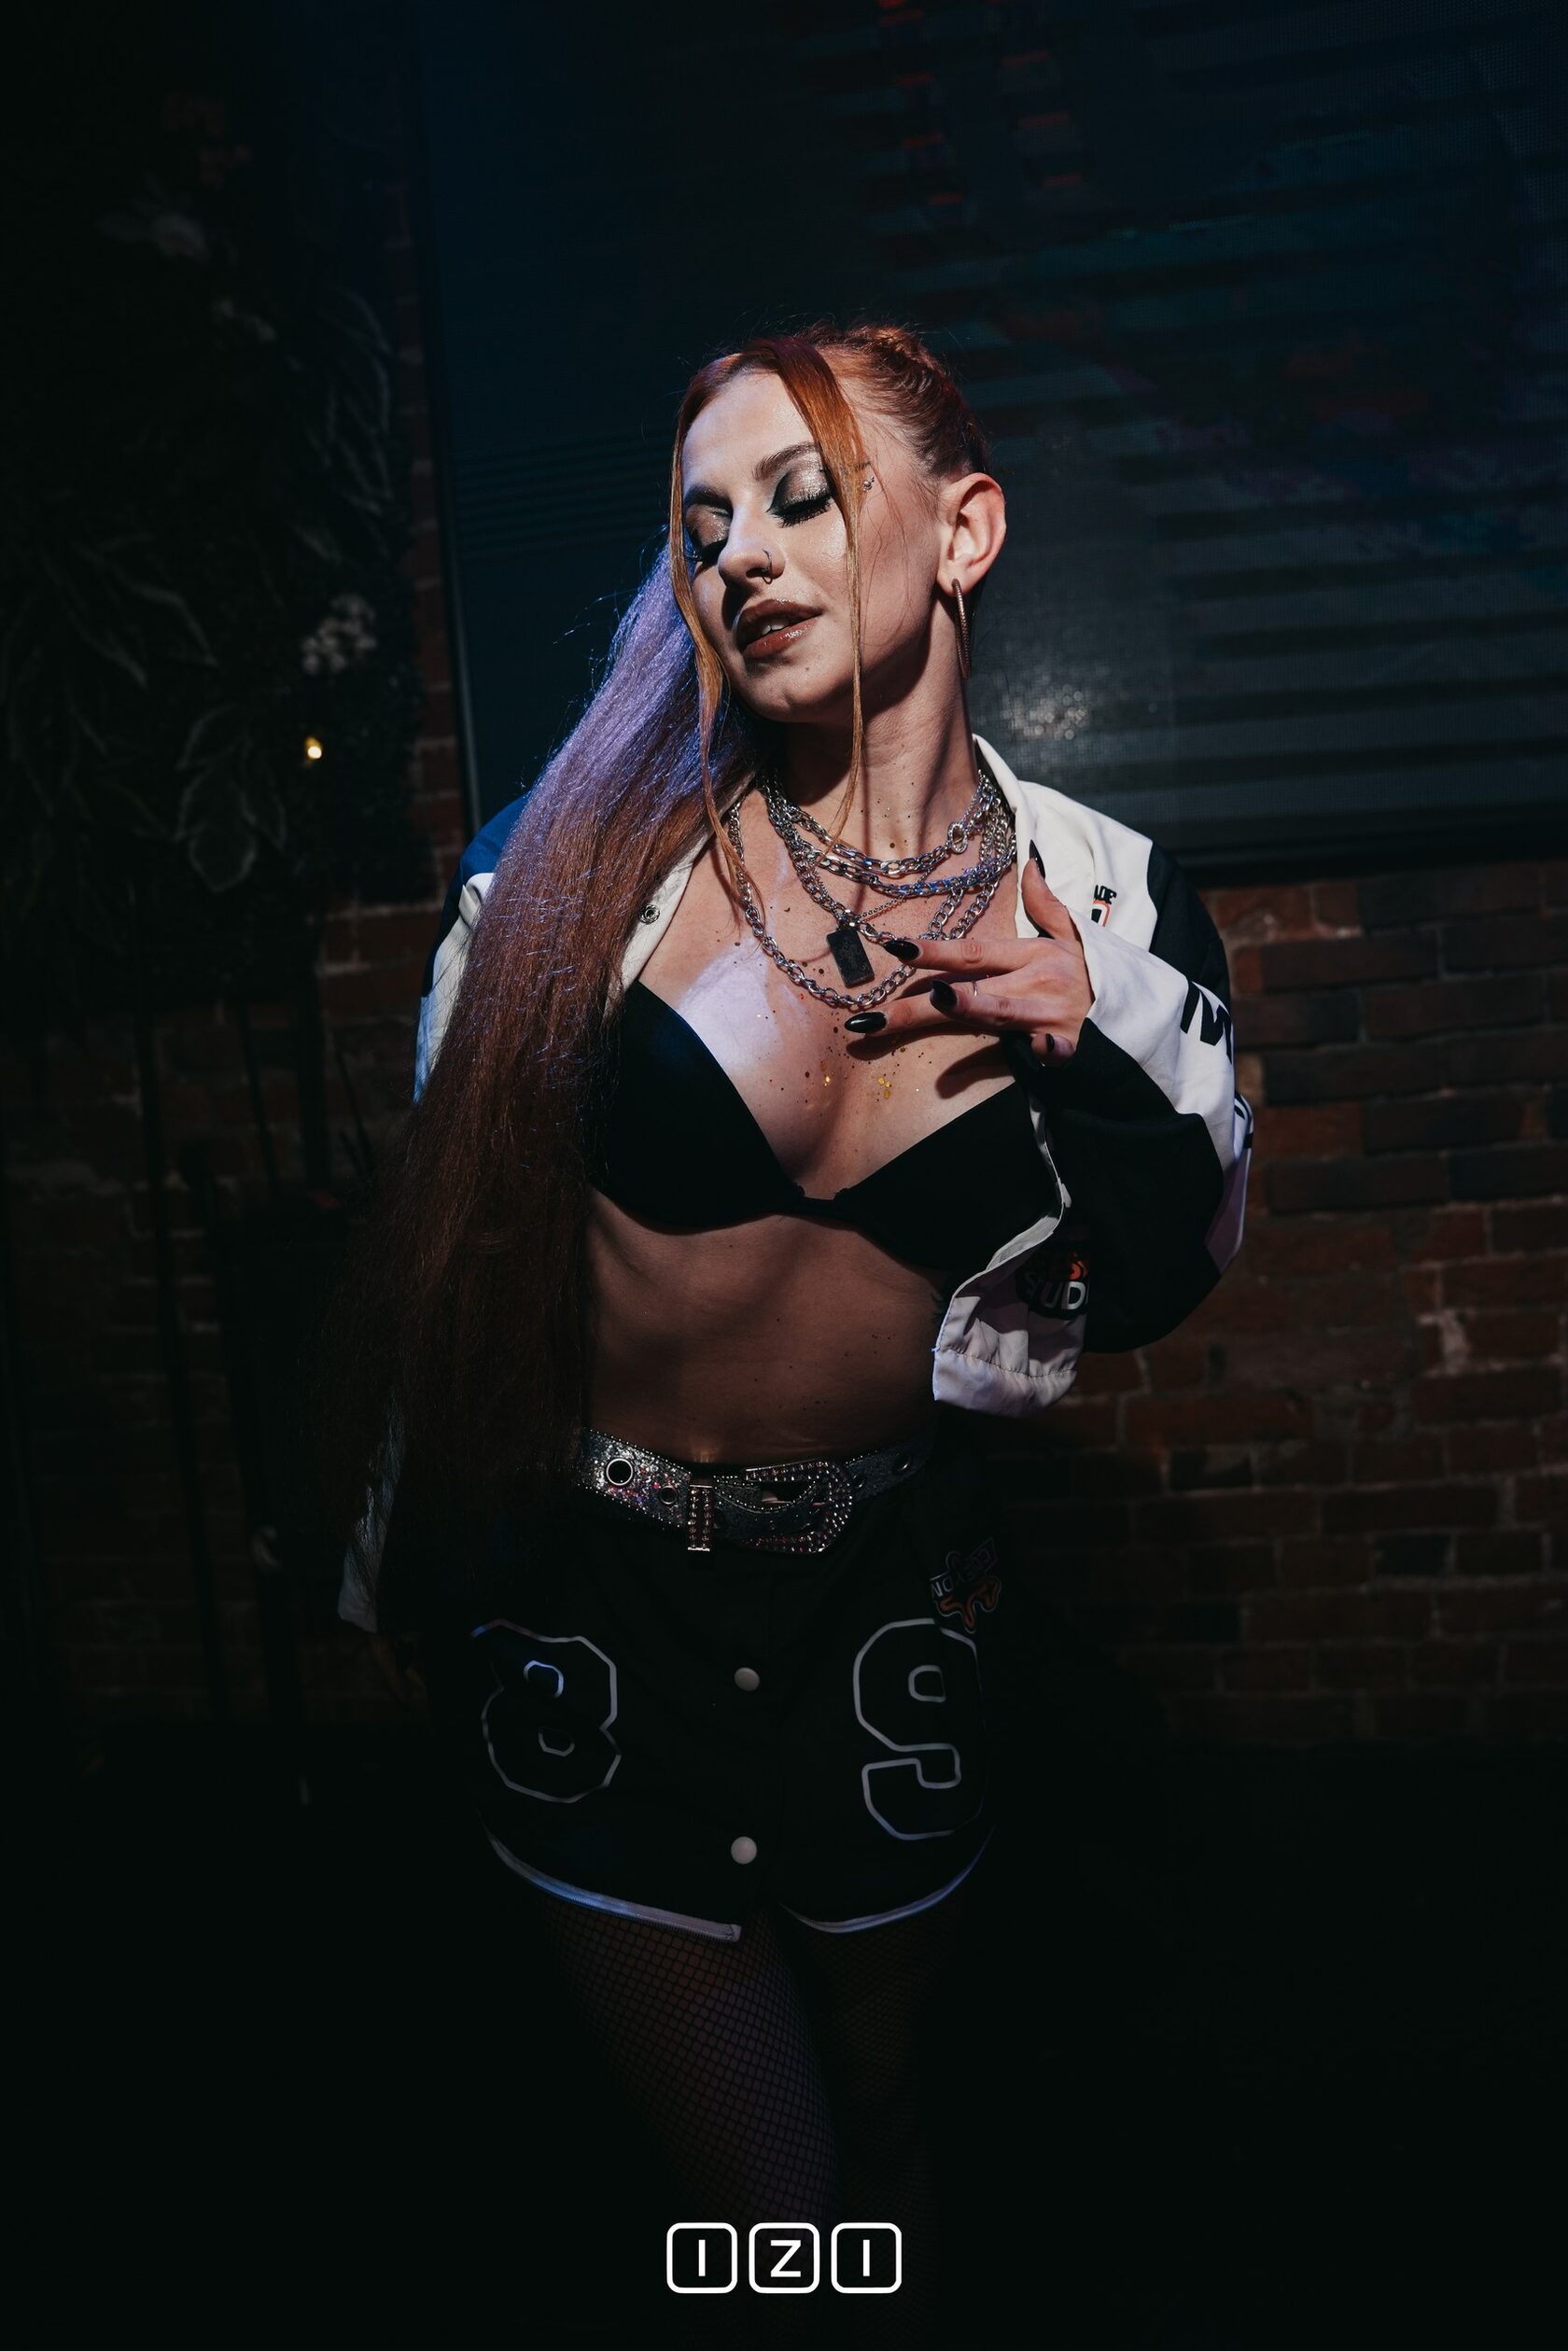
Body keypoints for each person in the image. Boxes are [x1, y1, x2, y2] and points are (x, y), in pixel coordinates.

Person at [319, 321, 1253, 2345]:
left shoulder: (1105, 903)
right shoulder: (571, 880)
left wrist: (1087, 1031)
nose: (739, 550)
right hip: (598, 1620)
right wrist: (405, 1572)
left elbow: (1176, 1265)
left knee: (892, 2126)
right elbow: (446, 1268)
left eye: (802, 494)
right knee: (767, 2198)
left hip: (892, 1623)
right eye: (704, 523)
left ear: (966, 530)